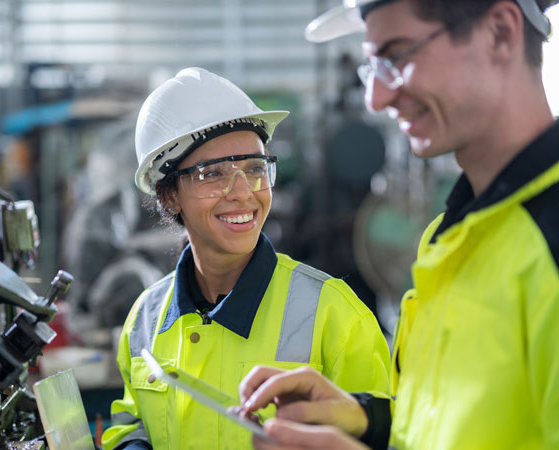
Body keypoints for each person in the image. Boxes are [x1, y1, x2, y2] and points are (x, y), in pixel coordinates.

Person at [239, 0, 559, 449]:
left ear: (500, 33)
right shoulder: (449, 235)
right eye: (374, 69)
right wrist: (366, 419)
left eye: (398, 56)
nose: (377, 98)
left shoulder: (548, 243)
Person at [101, 67, 390, 450]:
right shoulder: (145, 318)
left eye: (255, 168)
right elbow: (131, 422)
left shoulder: (335, 314)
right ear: (170, 195)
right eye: (212, 174)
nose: (243, 193)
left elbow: (382, 436)